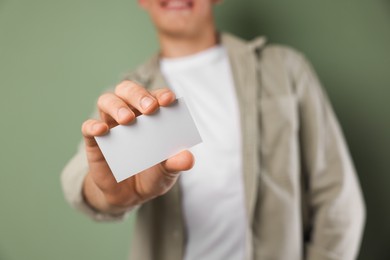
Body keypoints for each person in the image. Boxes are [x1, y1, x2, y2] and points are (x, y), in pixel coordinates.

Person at [61, 0, 366, 259]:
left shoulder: (286, 70)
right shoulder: (127, 99)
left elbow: (339, 199)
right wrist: (112, 196)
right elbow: (79, 180)